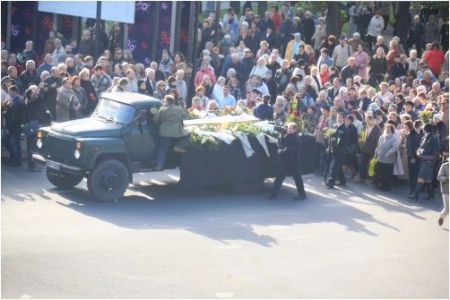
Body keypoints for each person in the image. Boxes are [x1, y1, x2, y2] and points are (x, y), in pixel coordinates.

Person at [266, 122, 306, 200]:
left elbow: (292, 149)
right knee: (279, 177)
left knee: (297, 178)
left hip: (293, 161)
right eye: (288, 128)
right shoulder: (287, 136)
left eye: (290, 129)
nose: (288, 130)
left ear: (294, 130)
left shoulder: (296, 138)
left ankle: (302, 194)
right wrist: (281, 134)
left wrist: (283, 150)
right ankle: (273, 194)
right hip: (285, 161)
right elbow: (281, 142)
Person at [153, 95, 188, 171]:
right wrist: (183, 108)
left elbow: (156, 120)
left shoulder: (163, 110)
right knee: (187, 135)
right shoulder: (178, 109)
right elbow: (185, 115)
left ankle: (159, 165)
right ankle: (178, 146)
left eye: (164, 101)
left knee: (162, 149)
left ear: (167, 101)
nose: (163, 102)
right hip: (177, 132)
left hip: (164, 132)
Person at [408, 123, 439, 201]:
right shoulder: (425, 136)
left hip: (428, 160)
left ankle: (416, 194)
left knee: (421, 176)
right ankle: (431, 194)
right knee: (427, 178)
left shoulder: (433, 138)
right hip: (423, 159)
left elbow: (431, 150)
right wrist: (419, 151)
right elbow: (421, 146)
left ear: (426, 129)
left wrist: (421, 152)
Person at [24, 84, 48, 172]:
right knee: (31, 146)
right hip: (32, 127)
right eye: (35, 90)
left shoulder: (31, 101)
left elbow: (42, 98)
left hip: (33, 125)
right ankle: (31, 164)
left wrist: (42, 90)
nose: (37, 91)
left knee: (32, 145)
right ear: (30, 93)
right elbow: (38, 98)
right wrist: (41, 88)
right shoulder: (31, 101)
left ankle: (32, 164)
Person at [2, 85, 24, 167]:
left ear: (15, 92)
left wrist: (9, 128)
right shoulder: (12, 101)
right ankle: (12, 158)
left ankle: (17, 161)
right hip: (11, 126)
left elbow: (14, 117)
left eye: (10, 92)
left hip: (15, 127)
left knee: (15, 143)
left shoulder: (18, 102)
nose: (9, 93)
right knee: (6, 141)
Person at [325, 112, 349, 188]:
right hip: (334, 149)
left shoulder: (345, 129)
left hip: (341, 150)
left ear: (344, 118)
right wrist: (329, 146)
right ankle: (342, 181)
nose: (339, 119)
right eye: (338, 117)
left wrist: (336, 140)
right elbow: (330, 137)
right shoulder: (334, 126)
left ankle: (331, 182)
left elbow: (345, 141)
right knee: (338, 166)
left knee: (335, 166)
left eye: (340, 117)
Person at [373, 123, 399, 191]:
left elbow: (395, 147)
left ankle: (386, 186)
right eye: (386, 129)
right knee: (379, 172)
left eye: (389, 129)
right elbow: (378, 146)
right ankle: (380, 184)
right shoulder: (381, 137)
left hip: (388, 160)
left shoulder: (393, 138)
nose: (387, 130)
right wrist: (376, 154)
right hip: (381, 158)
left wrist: (389, 153)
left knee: (387, 174)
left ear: (392, 130)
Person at [437, 159, 449, 226]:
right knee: (447, 208)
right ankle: (442, 216)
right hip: (446, 189)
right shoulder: (444, 166)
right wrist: (447, 178)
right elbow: (439, 177)